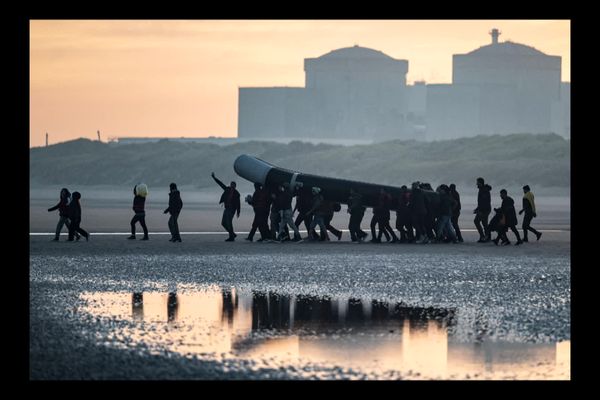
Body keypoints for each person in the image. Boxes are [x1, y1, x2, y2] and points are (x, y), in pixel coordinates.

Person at [211, 172, 240, 241]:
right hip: (227, 208)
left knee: (229, 222)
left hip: (232, 209)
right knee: (223, 223)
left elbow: (238, 204)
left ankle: (231, 237)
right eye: (231, 184)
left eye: (233, 185)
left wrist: (238, 212)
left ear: (235, 186)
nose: (232, 186)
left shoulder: (236, 193)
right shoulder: (227, 189)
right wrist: (214, 178)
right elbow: (220, 184)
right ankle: (232, 234)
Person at [474, 177, 492, 243]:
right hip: (485, 209)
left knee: (476, 221)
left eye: (477, 182)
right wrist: (477, 208)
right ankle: (487, 237)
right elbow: (481, 202)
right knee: (484, 223)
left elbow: (485, 202)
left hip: (485, 210)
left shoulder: (484, 190)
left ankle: (483, 236)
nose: (476, 184)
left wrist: (480, 210)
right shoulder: (482, 189)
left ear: (480, 183)